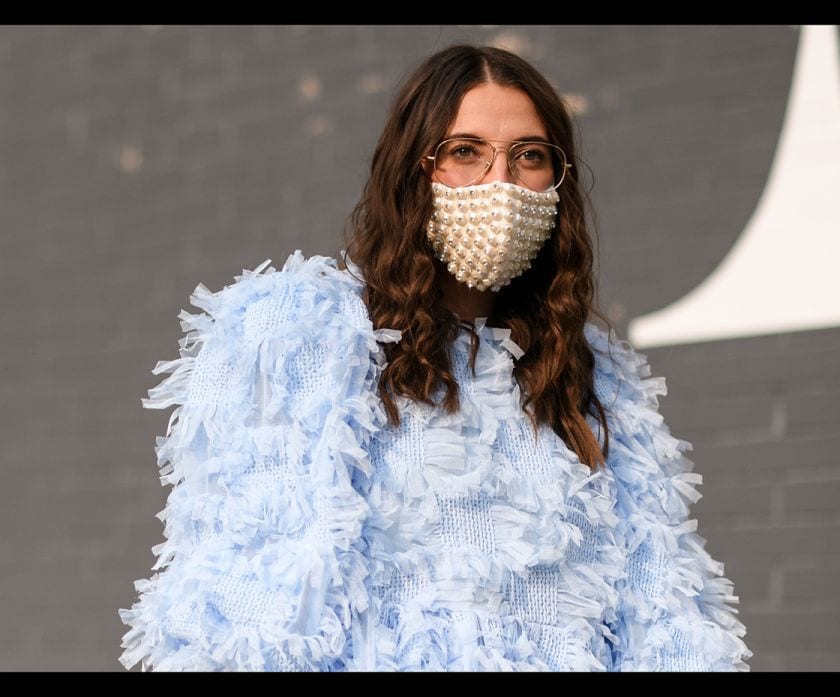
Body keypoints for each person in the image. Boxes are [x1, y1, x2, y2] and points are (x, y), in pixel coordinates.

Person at [117, 44, 753, 672]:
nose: (499, 182)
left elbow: (666, 614)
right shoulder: (304, 335)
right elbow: (248, 604)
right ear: (413, 170)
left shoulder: (596, 380)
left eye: (529, 156)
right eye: (465, 151)